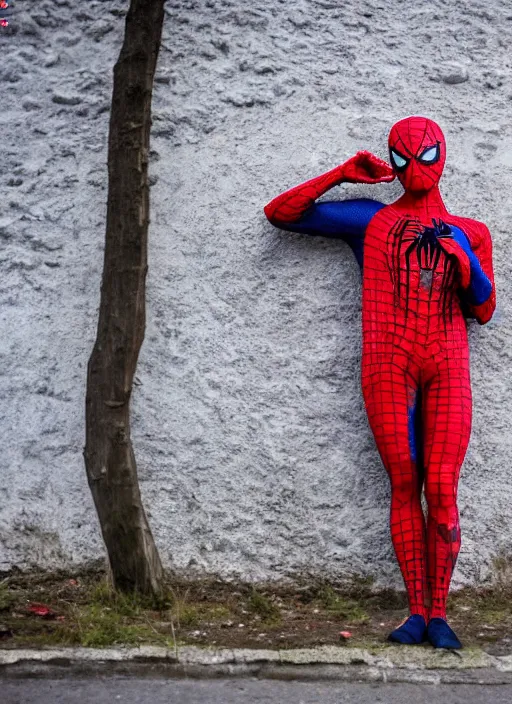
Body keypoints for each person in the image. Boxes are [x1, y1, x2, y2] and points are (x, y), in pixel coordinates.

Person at [264, 116, 495, 649]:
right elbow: (282, 214)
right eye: (404, 158)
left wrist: (462, 259)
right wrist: (341, 173)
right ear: (392, 162)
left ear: (444, 157)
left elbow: (484, 310)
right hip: (388, 362)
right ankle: (416, 612)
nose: (415, 169)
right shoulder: (370, 221)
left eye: (426, 156)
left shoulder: (471, 231)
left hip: (446, 361)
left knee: (441, 486)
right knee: (404, 483)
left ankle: (440, 613)